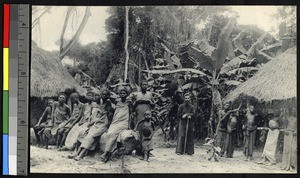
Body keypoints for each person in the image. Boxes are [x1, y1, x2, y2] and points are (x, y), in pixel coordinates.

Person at [100, 88, 131, 162]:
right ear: (119, 94)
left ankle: (106, 153)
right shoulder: (116, 102)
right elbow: (107, 97)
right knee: (109, 134)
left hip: (123, 122)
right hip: (115, 121)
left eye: (124, 93)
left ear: (127, 94)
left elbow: (131, 114)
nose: (123, 95)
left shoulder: (129, 103)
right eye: (121, 93)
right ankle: (108, 154)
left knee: (112, 133)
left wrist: (129, 124)